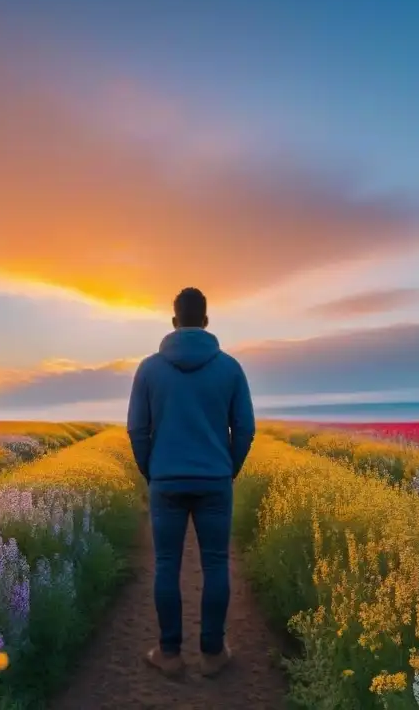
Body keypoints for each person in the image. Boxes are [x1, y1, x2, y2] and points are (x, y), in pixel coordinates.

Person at [126, 287, 256, 678]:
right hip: (214, 480)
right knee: (216, 563)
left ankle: (169, 654)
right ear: (206, 321)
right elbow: (245, 429)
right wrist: (226, 469)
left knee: (166, 564)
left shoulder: (149, 368)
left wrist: (154, 469)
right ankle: (213, 654)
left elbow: (137, 429)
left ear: (173, 321)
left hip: (166, 480)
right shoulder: (230, 368)